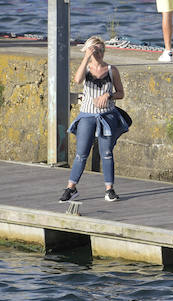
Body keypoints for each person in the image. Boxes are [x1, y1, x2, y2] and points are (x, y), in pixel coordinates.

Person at [58, 36, 128, 204]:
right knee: (81, 154)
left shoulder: (112, 70)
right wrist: (86, 57)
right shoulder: (86, 68)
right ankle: (71, 188)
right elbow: (77, 80)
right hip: (88, 115)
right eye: (93, 50)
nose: (97, 53)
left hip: (106, 115)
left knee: (107, 153)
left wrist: (108, 94)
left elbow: (121, 93)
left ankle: (109, 189)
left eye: (99, 50)